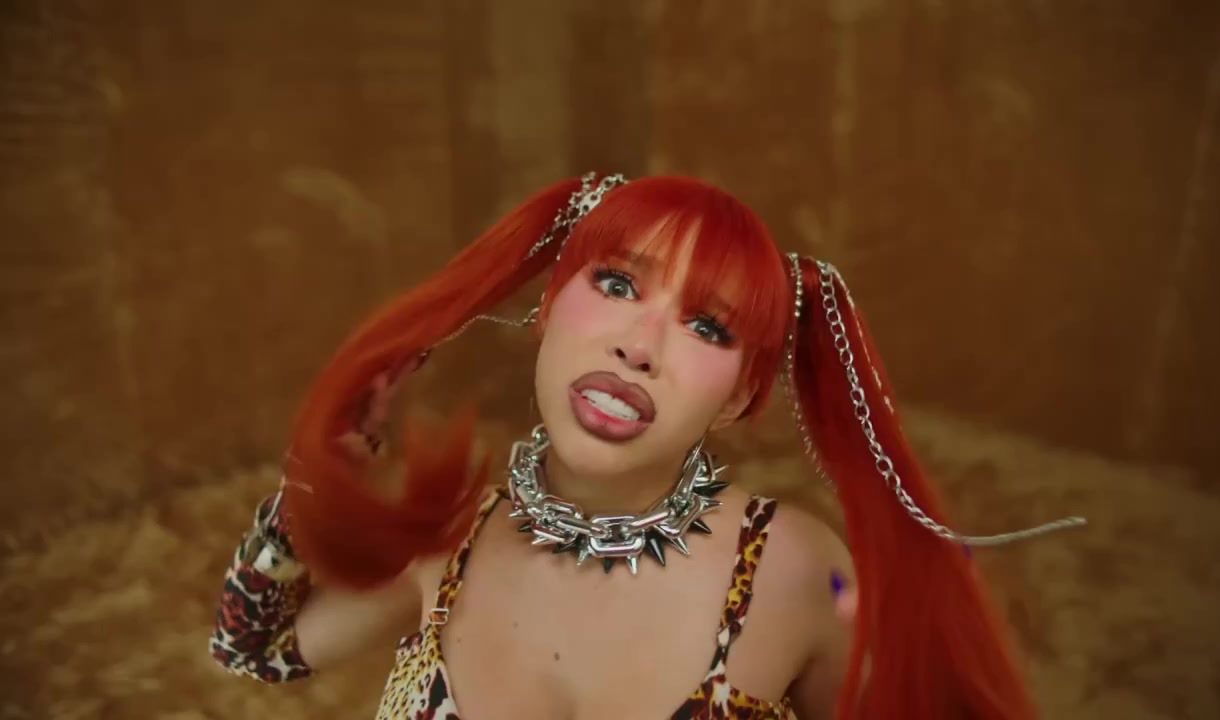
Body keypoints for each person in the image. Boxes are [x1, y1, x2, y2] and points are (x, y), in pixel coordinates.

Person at [208, 173, 1083, 719]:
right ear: (551, 304)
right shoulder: (449, 540)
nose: (640, 345)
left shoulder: (795, 572)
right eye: (619, 284)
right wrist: (315, 485)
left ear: (739, 395)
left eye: (707, 327)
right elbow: (251, 650)